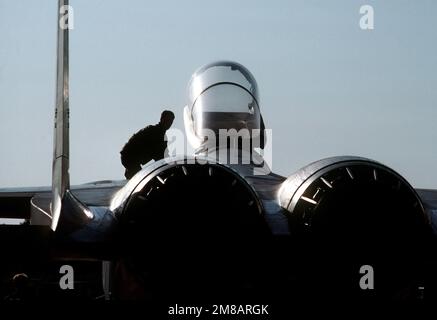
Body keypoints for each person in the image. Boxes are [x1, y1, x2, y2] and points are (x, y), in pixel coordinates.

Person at [120, 110, 175, 179]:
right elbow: (161, 156)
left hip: (131, 158)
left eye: (171, 121)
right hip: (129, 156)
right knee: (140, 178)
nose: (169, 123)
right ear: (161, 119)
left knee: (136, 176)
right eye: (167, 120)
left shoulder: (162, 135)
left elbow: (163, 155)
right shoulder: (154, 132)